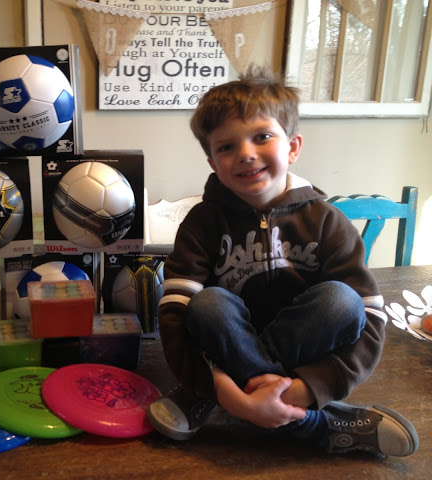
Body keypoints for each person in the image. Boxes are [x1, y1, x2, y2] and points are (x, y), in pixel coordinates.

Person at [146, 66, 419, 457]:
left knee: (341, 301)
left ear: (292, 147)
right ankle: (318, 425)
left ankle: (206, 399)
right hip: (227, 347)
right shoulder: (202, 223)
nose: (245, 154)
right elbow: (175, 314)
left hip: (305, 358)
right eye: (226, 147)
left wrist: (307, 389)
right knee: (208, 303)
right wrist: (226, 391)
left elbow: (371, 318)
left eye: (262, 137)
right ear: (213, 163)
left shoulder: (327, 222)